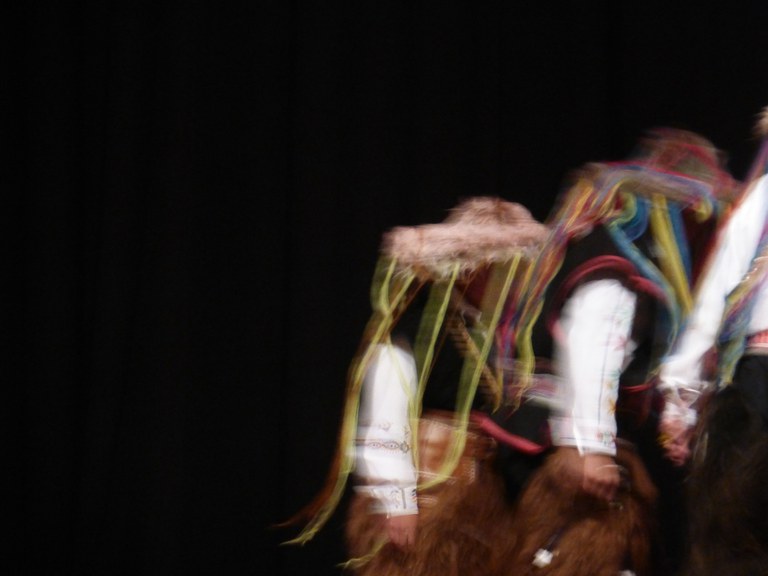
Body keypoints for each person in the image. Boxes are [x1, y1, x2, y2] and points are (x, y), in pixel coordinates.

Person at [489, 127, 740, 576]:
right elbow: (593, 346)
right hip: (561, 444)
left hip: (565, 436)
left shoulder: (613, 252)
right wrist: (591, 447)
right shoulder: (619, 261)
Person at [284, 196, 550, 575]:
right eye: (502, 269)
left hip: (478, 499)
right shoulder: (415, 328)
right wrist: (398, 502)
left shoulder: (486, 332)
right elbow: (386, 413)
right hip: (429, 495)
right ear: (473, 269)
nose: (510, 281)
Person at [658, 107, 768, 576]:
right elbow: (715, 298)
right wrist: (682, 399)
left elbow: (712, 298)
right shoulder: (764, 198)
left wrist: (681, 402)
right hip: (760, 378)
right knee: (743, 529)